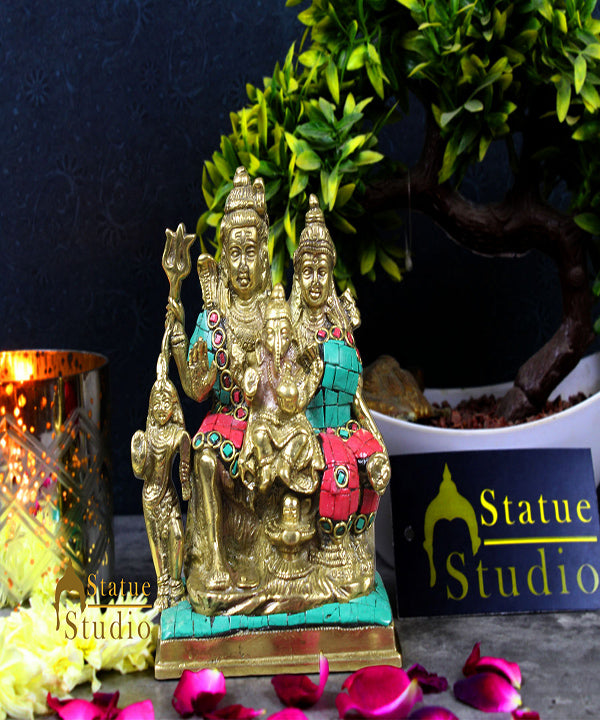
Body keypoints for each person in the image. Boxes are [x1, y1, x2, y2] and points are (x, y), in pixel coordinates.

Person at [169, 166, 271, 600]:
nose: (243, 265)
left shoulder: (276, 310)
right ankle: (212, 559)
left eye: (251, 252)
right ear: (224, 258)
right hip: (226, 418)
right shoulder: (213, 319)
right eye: (235, 253)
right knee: (207, 461)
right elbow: (197, 391)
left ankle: (276, 558)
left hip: (269, 420)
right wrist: (188, 359)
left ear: (263, 255)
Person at [290, 194, 391, 591]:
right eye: (307, 272)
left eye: (322, 271)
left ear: (331, 275)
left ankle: (354, 545)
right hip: (307, 429)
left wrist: (377, 440)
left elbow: (356, 397)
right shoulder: (290, 332)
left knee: (374, 464)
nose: (315, 280)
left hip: (343, 425)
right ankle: (329, 555)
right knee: (340, 469)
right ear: (298, 276)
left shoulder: (341, 333)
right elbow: (284, 396)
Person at [131, 354, 190, 610]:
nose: (161, 407)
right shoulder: (148, 435)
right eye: (157, 402)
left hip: (168, 496)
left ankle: (176, 584)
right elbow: (141, 470)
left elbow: (184, 466)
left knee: (176, 535)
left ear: (174, 405)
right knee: (156, 543)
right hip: (149, 497)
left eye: (166, 402)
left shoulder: (177, 434)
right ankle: (163, 586)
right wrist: (138, 450)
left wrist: (186, 485)